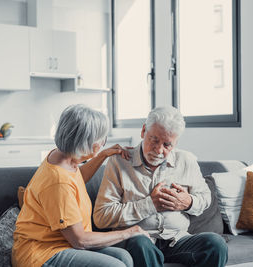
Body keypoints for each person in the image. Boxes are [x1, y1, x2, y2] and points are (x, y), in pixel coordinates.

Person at [12, 104, 149, 267]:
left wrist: (103, 154)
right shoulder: (58, 181)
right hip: (41, 254)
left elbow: (76, 180)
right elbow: (80, 241)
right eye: (101, 139)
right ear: (87, 143)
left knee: (123, 257)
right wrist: (130, 232)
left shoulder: (61, 156)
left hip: (63, 244)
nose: (103, 142)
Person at [93, 106, 228, 267]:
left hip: (176, 239)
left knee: (215, 244)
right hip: (138, 241)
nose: (159, 150)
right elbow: (101, 217)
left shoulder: (186, 160)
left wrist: (189, 202)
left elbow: (205, 198)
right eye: (154, 140)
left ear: (176, 143)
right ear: (143, 131)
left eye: (167, 145)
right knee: (141, 244)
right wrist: (150, 205)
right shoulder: (119, 162)